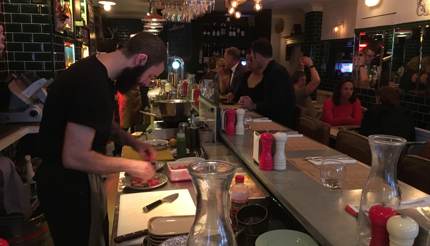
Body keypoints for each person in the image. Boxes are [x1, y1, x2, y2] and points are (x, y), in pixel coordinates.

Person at [35, 32, 166, 246]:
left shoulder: (99, 72)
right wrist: (132, 166)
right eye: (150, 76)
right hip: (66, 186)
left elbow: (96, 120)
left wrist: (133, 142)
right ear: (140, 59)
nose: (146, 83)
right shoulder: (91, 83)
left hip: (77, 180)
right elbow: (74, 157)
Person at [238, 38, 296, 128]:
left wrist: (253, 105)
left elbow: (277, 105)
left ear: (257, 56)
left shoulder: (277, 73)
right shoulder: (270, 71)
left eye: (252, 58)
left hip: (279, 128)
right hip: (269, 124)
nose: (252, 61)